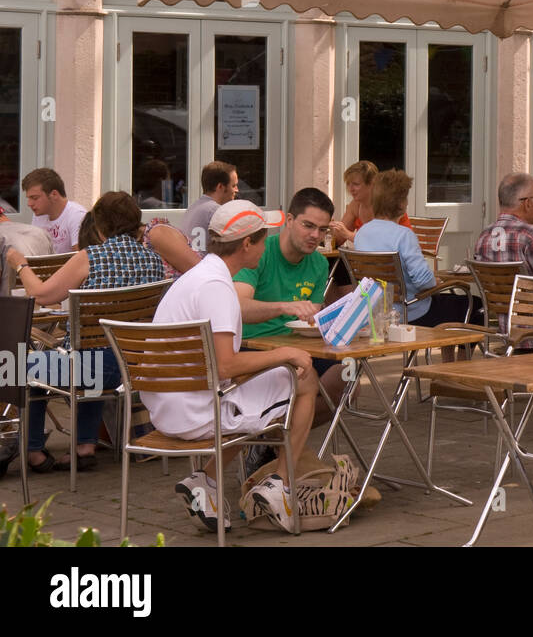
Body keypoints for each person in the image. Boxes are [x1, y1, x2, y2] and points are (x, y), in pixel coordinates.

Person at [144, 200, 318, 533]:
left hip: (169, 403)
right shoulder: (217, 287)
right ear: (246, 244)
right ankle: (280, 485)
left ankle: (206, 481)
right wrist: (286, 353)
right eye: (262, 238)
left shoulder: (199, 275)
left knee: (250, 396)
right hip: (193, 411)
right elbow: (227, 366)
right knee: (304, 380)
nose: (266, 245)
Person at [7, 191, 165, 472]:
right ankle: (84, 446)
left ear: (100, 226)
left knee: (21, 365)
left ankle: (33, 452)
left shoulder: (91, 256)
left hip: (93, 367)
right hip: (136, 367)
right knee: (93, 353)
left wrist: (20, 264)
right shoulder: (154, 260)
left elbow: (42, 295)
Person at [236, 187, 343, 423]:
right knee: (307, 377)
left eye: (322, 229)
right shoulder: (259, 252)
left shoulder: (318, 263)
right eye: (308, 225)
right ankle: (272, 438)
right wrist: (284, 307)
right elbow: (238, 308)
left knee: (346, 377)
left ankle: (271, 436)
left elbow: (309, 318)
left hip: (296, 346)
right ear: (290, 220)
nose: (316, 235)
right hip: (253, 348)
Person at [355, 170, 436, 323]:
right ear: (401, 204)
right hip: (410, 312)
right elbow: (423, 281)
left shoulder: (362, 233)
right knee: (473, 305)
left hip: (375, 313)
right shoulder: (404, 235)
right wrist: (436, 282)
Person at [474, 172, 533, 281]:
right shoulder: (532, 235)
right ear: (528, 203)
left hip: (492, 298)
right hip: (527, 298)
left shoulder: (484, 235)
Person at [331, 160, 410, 246]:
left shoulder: (387, 203)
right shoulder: (355, 205)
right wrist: (331, 230)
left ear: (372, 184)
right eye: (348, 184)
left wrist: (348, 234)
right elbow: (338, 241)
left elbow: (383, 241)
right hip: (370, 257)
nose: (351, 189)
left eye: (356, 184)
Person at [22, 168, 88, 253]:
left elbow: (81, 257)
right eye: (29, 198)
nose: (29, 203)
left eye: (35, 198)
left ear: (54, 194)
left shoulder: (77, 215)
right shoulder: (39, 214)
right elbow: (34, 251)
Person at [178, 160, 238, 251]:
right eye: (233, 186)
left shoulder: (193, 208)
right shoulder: (215, 211)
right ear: (220, 187)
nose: (237, 190)